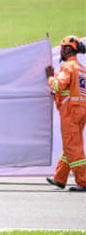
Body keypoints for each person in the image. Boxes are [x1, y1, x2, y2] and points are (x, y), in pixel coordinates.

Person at [45, 35, 86, 192]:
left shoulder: (68, 67)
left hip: (70, 112)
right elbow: (70, 90)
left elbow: (58, 85)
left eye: (63, 48)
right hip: (81, 111)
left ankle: (83, 181)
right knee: (72, 144)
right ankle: (60, 178)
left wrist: (49, 77)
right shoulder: (81, 69)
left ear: (68, 50)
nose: (61, 50)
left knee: (73, 148)